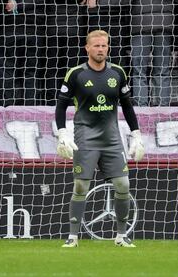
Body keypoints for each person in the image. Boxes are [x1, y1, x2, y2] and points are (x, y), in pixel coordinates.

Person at [55, 29, 145, 248]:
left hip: (111, 138)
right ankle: (73, 237)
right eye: (96, 46)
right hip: (85, 137)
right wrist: (62, 133)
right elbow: (60, 106)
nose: (100, 49)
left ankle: (121, 236)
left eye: (104, 46)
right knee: (80, 187)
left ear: (108, 47)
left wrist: (136, 135)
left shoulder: (118, 73)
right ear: (87, 48)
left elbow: (127, 106)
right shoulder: (76, 74)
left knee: (123, 184)